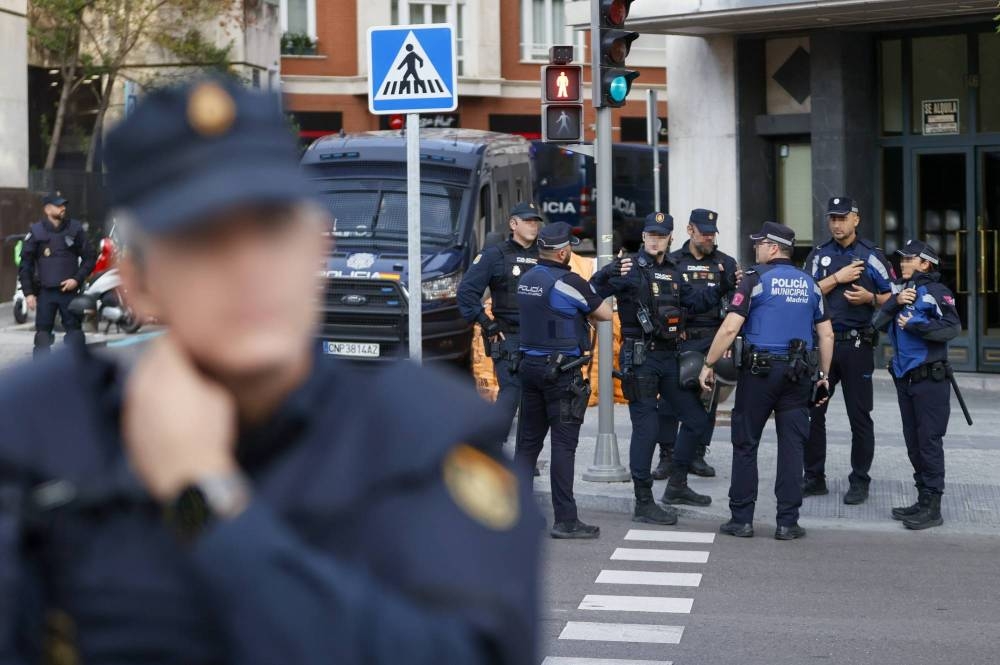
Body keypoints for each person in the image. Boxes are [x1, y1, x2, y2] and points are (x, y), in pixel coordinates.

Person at [0, 78, 541, 664]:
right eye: (204, 242)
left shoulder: (420, 441)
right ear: (139, 284)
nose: (249, 269)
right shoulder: (39, 434)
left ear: (316, 248)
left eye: (272, 231)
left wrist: (203, 502)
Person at [591, 212, 733, 527]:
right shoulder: (629, 268)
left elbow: (697, 302)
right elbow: (592, 292)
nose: (656, 240)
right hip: (640, 360)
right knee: (648, 429)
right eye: (651, 235)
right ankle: (643, 502)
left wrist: (724, 284)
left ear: (670, 238)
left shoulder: (674, 270)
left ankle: (677, 485)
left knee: (696, 419)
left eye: (662, 235)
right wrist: (606, 273)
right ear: (644, 237)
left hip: (669, 358)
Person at [699, 221, 833, 540]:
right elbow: (826, 334)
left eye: (759, 244)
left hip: (759, 374)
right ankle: (787, 522)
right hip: (798, 375)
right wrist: (824, 376)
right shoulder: (810, 284)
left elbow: (730, 328)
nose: (755, 248)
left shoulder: (754, 280)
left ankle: (742, 519)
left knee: (746, 443)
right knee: (792, 447)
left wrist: (708, 363)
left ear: (773, 248)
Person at [515, 221, 612, 539]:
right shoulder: (569, 281)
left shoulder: (527, 279)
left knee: (527, 445)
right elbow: (604, 314)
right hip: (561, 373)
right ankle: (566, 520)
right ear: (562, 252)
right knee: (563, 446)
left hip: (529, 367)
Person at [803, 197, 895, 505]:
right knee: (813, 412)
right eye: (833, 218)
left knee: (860, 416)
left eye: (842, 218)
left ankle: (859, 480)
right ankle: (814, 477)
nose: (837, 224)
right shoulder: (819, 254)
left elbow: (894, 297)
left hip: (857, 346)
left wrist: (871, 298)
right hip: (823, 345)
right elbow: (805, 292)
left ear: (856, 219)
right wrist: (837, 279)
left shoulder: (871, 255)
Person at [872, 240, 960, 530]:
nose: (903, 263)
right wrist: (895, 302)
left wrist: (916, 325)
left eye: (909, 259)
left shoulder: (937, 292)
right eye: (902, 259)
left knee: (929, 442)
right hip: (905, 379)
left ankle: (933, 507)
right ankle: (923, 499)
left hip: (930, 380)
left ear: (925, 263)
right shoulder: (901, 291)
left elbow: (952, 328)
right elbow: (876, 323)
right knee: (913, 444)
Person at [653, 208, 738, 480]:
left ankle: (697, 454)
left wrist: (729, 340)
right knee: (669, 401)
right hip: (680, 338)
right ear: (690, 230)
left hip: (713, 338)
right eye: (704, 233)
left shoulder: (726, 263)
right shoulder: (673, 261)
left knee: (706, 398)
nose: (709, 238)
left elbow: (735, 305)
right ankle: (667, 455)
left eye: (713, 233)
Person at [457, 202, 542, 454]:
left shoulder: (544, 254)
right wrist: (487, 323)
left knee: (534, 399)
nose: (533, 226)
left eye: (536, 221)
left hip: (539, 338)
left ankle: (525, 458)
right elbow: (466, 293)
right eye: (528, 221)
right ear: (513, 224)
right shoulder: (495, 255)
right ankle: (491, 448)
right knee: (512, 392)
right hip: (508, 335)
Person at [18, 192, 95, 357]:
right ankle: (41, 371)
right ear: (47, 209)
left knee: (75, 337)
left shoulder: (75, 229)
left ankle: (77, 369)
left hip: (69, 292)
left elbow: (90, 258)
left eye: (64, 205)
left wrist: (76, 279)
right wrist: (29, 293)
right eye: (58, 205)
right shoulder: (36, 232)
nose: (63, 208)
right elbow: (25, 264)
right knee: (42, 338)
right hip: (45, 293)